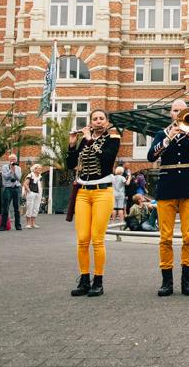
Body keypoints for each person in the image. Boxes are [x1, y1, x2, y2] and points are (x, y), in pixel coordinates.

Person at [148, 98, 189, 297]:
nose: (179, 114)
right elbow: (151, 156)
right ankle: (167, 282)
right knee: (165, 237)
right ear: (170, 113)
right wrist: (168, 138)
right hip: (167, 188)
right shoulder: (161, 134)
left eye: (183, 111)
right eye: (176, 110)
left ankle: (187, 281)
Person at [67, 109, 121, 297]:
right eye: (95, 119)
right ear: (90, 121)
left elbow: (106, 161)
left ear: (106, 122)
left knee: (97, 239)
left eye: (101, 118)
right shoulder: (84, 141)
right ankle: (84, 279)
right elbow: (70, 164)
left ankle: (98, 280)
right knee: (82, 239)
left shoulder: (113, 138)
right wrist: (72, 146)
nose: (98, 121)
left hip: (102, 192)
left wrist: (90, 139)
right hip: (83, 192)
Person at [0, 153, 23, 231]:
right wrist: (10, 171)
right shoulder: (4, 167)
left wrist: (14, 171)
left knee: (17, 208)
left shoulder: (18, 168)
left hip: (16, 188)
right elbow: (5, 177)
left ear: (16, 160)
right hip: (8, 188)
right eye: (11, 159)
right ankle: (3, 225)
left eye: (14, 159)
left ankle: (18, 225)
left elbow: (18, 178)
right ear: (9, 160)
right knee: (5, 207)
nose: (13, 161)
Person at [24, 164, 43, 229]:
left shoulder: (40, 176)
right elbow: (25, 184)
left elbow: (41, 185)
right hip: (31, 193)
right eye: (39, 168)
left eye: (40, 169)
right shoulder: (30, 175)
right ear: (35, 169)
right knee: (30, 207)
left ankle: (33, 223)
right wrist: (29, 191)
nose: (40, 170)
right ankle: (28, 224)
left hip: (38, 194)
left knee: (36, 208)